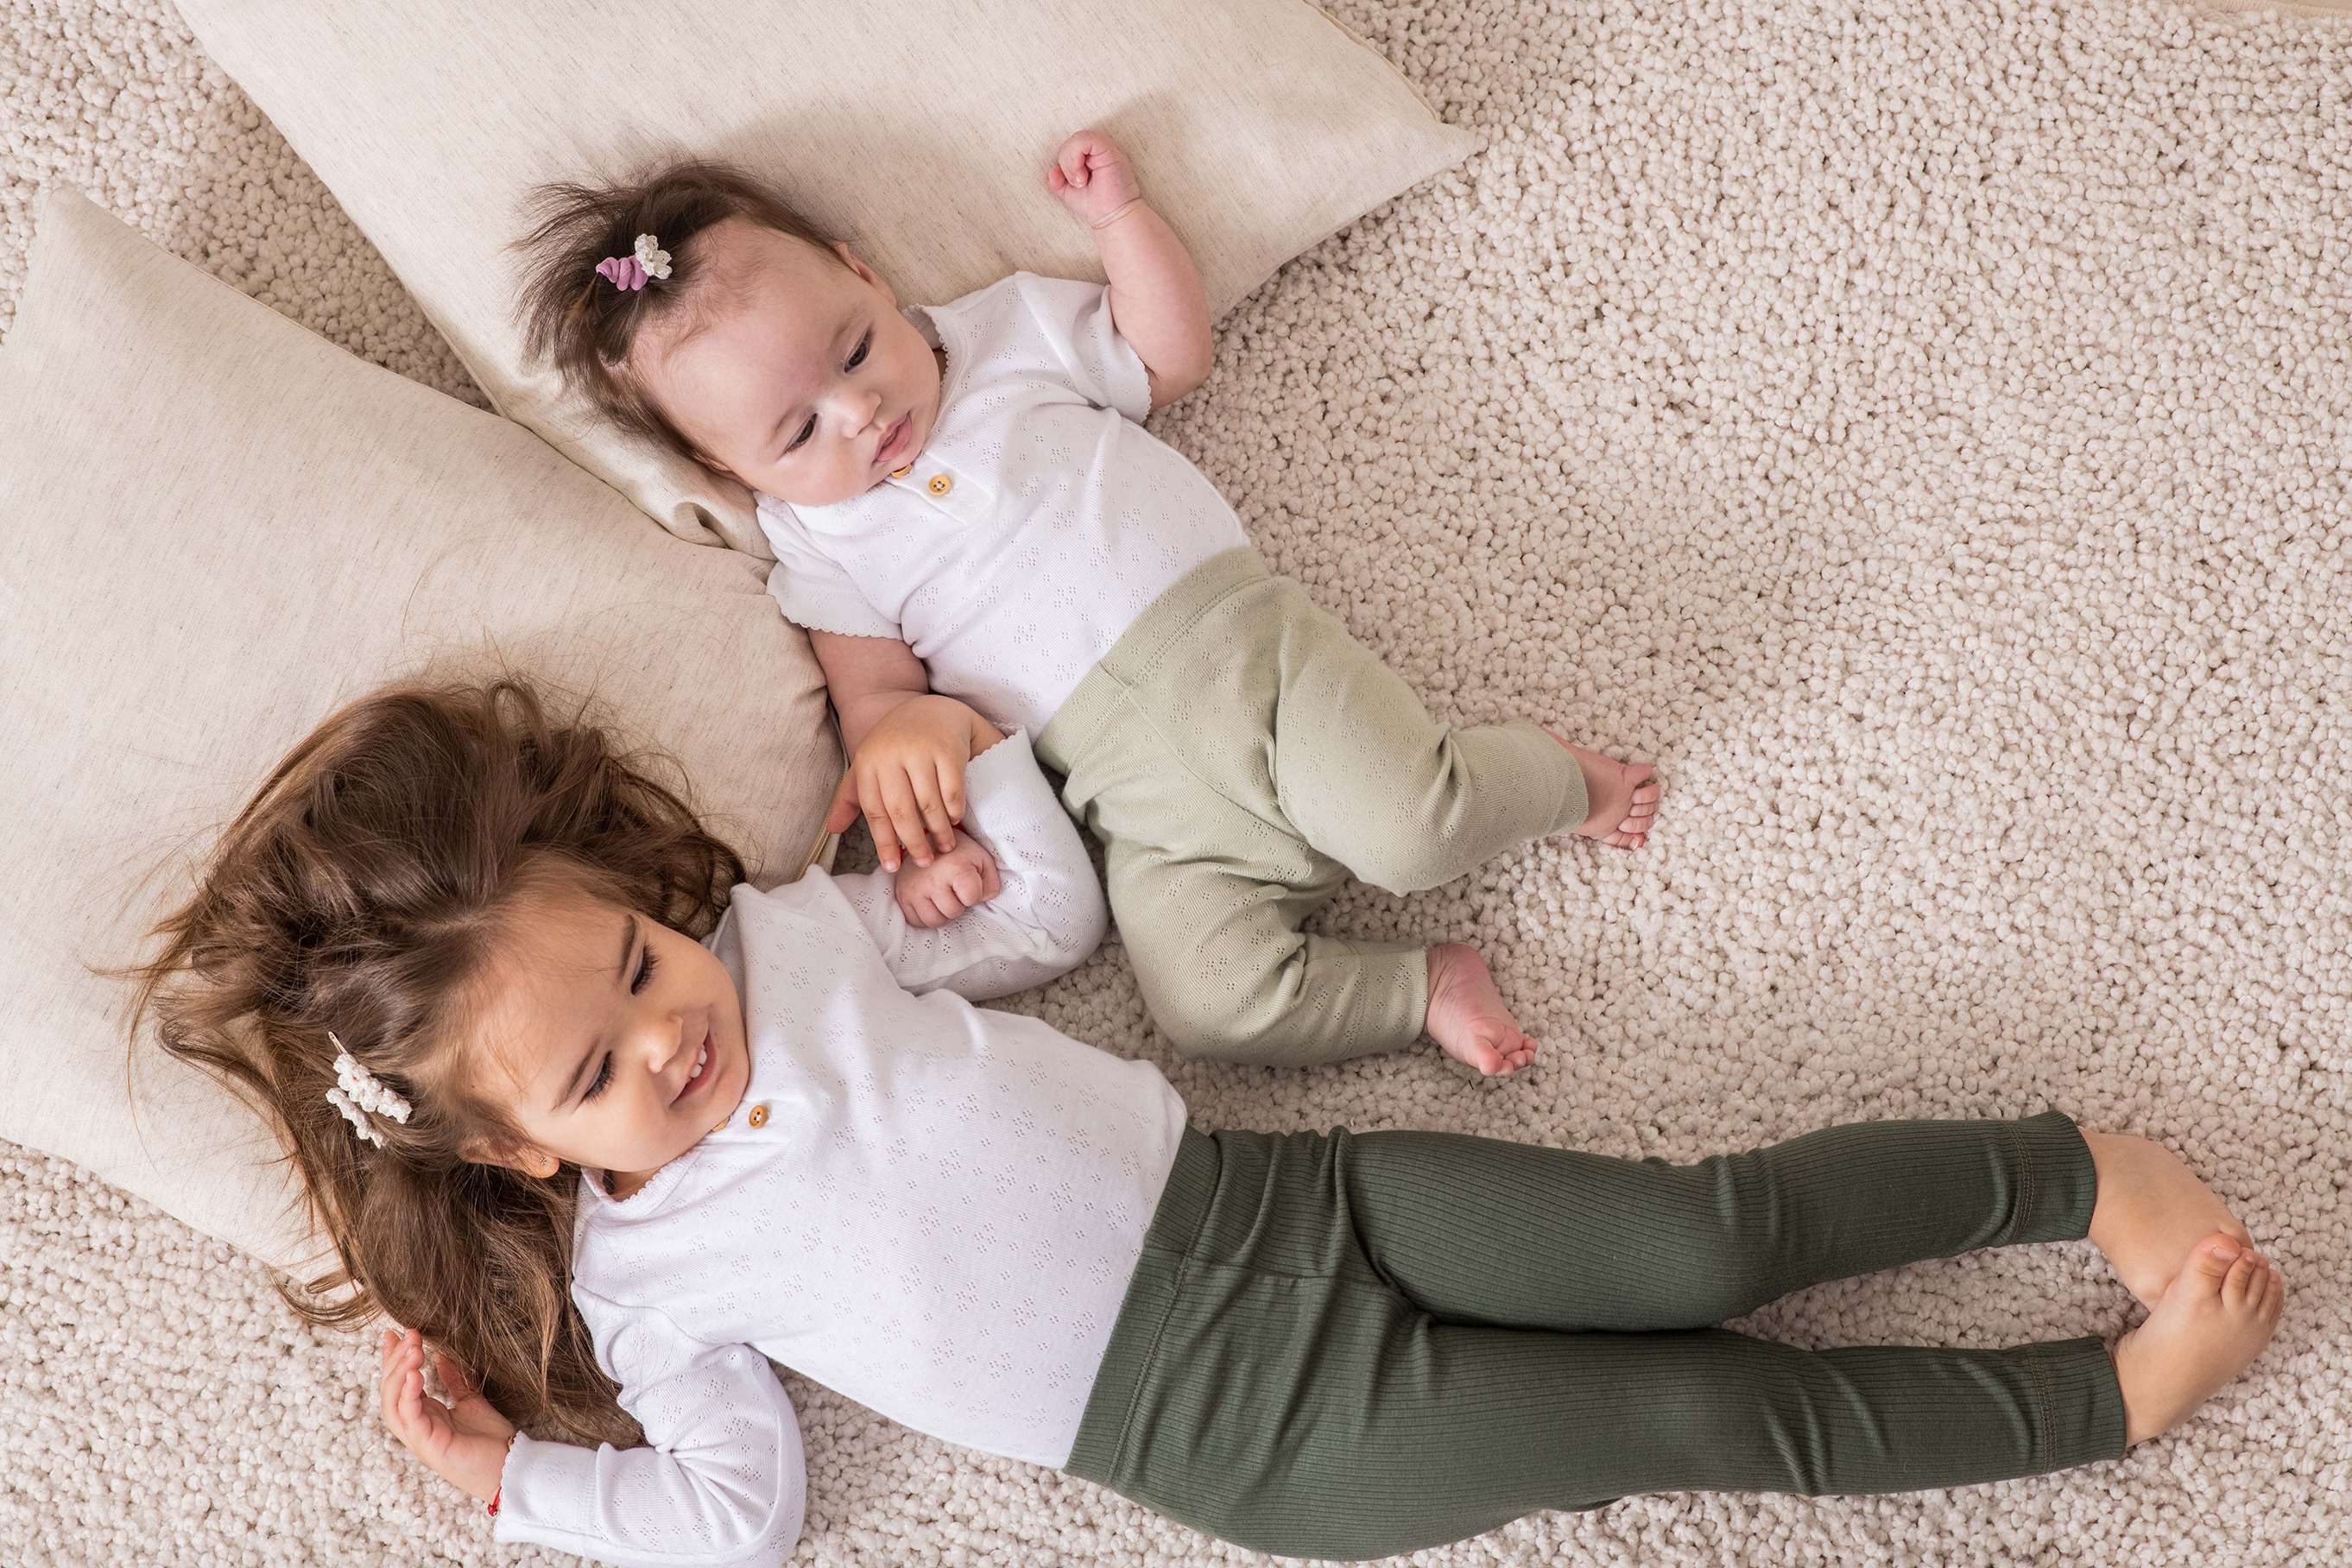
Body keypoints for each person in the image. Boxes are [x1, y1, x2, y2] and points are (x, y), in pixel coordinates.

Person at [134, 678, 2283, 1566]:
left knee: (1699, 1236)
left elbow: (1040, 915)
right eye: (595, 1072)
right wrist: (517, 1479)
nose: (662, 1035)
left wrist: (942, 755)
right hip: (1257, 1433)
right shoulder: (648, 1282)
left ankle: (2070, 1163)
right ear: (515, 1152)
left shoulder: (785, 943)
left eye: (634, 966)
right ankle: (2103, 1402)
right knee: (1702, 1413)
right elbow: (738, 1510)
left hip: (1297, 1196)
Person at [515, 129, 1664, 1078]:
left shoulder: (1001, 338)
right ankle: (1420, 988)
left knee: (1415, 831)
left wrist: (1125, 224)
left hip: (1246, 666)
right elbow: (884, 719)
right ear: (727, 473)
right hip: (1135, 808)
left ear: (867, 276)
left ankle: (1563, 778)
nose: (860, 413)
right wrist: (924, 841)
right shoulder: (819, 549)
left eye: (855, 352)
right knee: (1206, 1005)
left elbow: (1167, 357)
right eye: (800, 430)